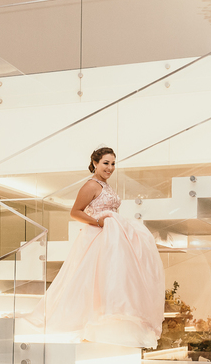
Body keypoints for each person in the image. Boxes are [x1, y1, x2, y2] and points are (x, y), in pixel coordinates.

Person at [24, 147, 164, 348]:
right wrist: (98, 222)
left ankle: (108, 323)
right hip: (98, 236)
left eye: (113, 164)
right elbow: (75, 212)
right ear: (95, 163)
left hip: (111, 237)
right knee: (92, 279)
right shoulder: (91, 185)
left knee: (112, 279)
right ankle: (88, 324)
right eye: (106, 163)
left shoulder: (105, 185)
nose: (110, 168)